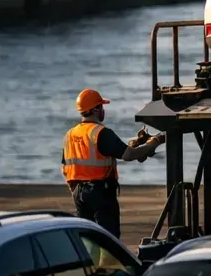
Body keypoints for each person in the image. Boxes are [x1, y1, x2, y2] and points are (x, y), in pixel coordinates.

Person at [61, 88, 165, 238]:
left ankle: (92, 262)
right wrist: (154, 143)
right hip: (100, 192)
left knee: (88, 237)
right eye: (101, 106)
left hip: (78, 193)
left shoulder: (70, 135)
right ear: (96, 109)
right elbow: (128, 155)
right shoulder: (100, 133)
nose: (103, 110)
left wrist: (75, 191)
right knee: (108, 239)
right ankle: (108, 262)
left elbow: (65, 167)